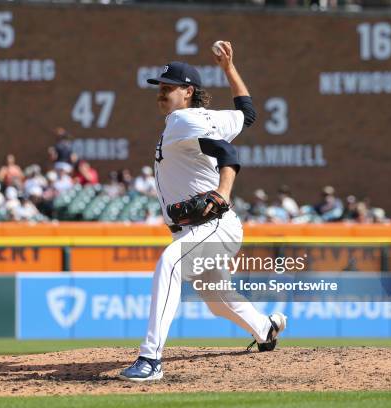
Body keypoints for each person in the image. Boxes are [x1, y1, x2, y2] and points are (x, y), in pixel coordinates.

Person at [120, 42, 286, 382]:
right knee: (216, 298)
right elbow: (248, 113)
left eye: (168, 88)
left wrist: (223, 192)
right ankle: (265, 328)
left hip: (214, 225)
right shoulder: (210, 118)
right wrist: (229, 69)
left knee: (169, 264)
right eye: (159, 88)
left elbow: (228, 153)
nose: (161, 93)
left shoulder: (181, 120)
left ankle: (150, 360)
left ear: (188, 91)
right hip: (205, 228)